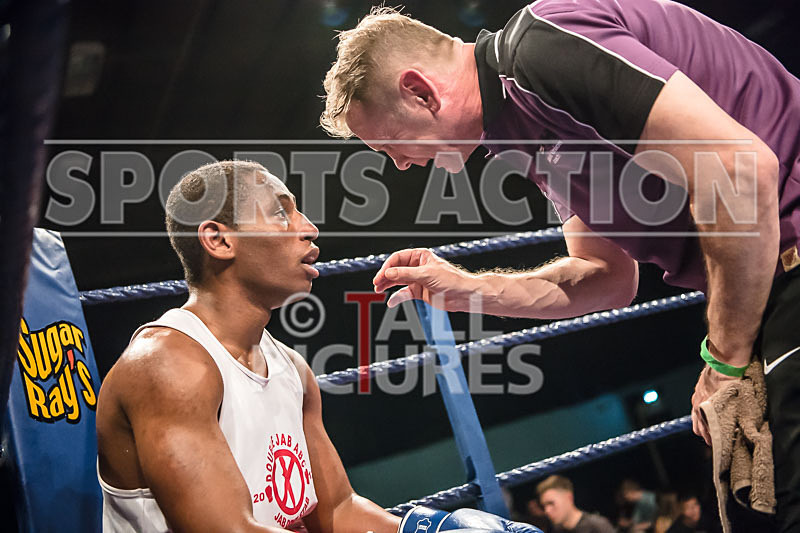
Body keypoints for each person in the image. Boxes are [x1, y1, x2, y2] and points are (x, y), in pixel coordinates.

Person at [320, 3, 800, 531]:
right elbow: (605, 273)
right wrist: (467, 291)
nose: (400, 164)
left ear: (420, 91)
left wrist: (726, 360)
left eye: (391, 144)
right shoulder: (518, 133)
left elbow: (740, 170)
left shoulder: (543, 47)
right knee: (753, 513)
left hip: (787, 260)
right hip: (761, 290)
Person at [95, 161, 543, 533]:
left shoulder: (290, 368)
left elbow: (339, 510)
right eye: (280, 212)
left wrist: (428, 530)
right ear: (219, 240)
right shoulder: (166, 364)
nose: (308, 228)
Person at [536, 475, 614, 533]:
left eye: (551, 503)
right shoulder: (555, 530)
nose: (547, 511)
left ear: (569, 498)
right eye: (544, 506)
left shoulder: (597, 526)